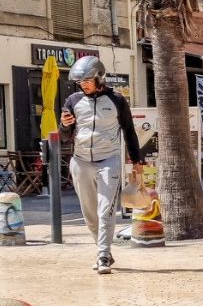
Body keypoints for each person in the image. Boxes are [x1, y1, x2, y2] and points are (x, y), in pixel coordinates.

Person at [59, 56, 142, 274]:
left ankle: (103, 255)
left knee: (106, 209)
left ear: (99, 77)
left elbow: (129, 132)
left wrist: (137, 161)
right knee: (89, 213)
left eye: (87, 80)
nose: (83, 84)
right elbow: (65, 136)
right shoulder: (73, 101)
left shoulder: (117, 100)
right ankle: (102, 248)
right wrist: (64, 126)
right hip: (80, 161)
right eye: (80, 82)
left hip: (109, 160)